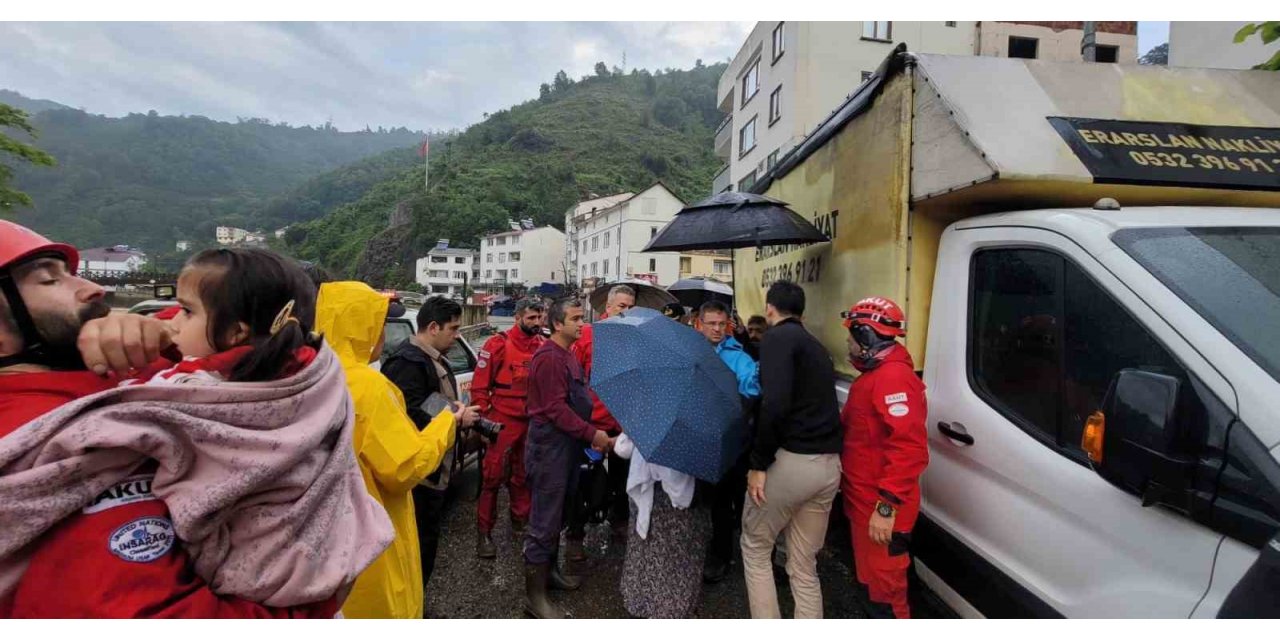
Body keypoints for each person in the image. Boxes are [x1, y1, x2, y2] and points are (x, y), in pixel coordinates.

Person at [0, 229, 354, 617]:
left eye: (72, 272)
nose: (94, 288)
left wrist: (151, 331)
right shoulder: (43, 430)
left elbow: (222, 333)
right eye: (49, 279)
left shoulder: (116, 377)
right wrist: (315, 606)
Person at [316, 281, 458, 619]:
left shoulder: (308, 375)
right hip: (370, 536)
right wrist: (447, 424)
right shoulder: (367, 386)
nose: (382, 334)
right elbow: (404, 467)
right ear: (360, 326)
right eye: (379, 324)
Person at [740, 280, 843, 619]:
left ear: (769, 309)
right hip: (828, 467)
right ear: (803, 312)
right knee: (803, 564)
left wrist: (758, 463)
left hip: (791, 463)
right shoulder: (816, 347)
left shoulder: (777, 339)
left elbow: (776, 404)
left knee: (755, 546)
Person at [381, 296, 481, 589]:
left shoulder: (427, 357)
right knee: (418, 546)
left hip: (432, 466)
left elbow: (426, 402)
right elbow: (411, 410)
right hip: (419, 475)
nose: (457, 335)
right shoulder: (409, 361)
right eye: (454, 328)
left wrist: (454, 413)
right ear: (433, 327)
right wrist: (455, 418)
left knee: (426, 543)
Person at [523, 297, 613, 619]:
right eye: (575, 318)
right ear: (557, 324)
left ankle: (550, 574)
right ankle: (535, 599)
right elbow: (554, 409)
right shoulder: (549, 357)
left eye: (582, 318)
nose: (581, 323)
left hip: (566, 448)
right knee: (544, 522)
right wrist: (593, 434)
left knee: (558, 516)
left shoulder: (568, 355)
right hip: (550, 450)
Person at [840, 296, 928, 619]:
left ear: (866, 337)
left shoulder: (893, 379)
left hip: (880, 512)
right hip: (866, 507)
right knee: (874, 588)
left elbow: (909, 449)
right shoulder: (875, 377)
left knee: (888, 597)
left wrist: (886, 507)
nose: (847, 342)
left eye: (851, 335)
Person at [471, 297, 545, 558]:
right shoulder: (497, 344)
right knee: (491, 477)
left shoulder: (543, 346)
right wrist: (482, 423)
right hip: (502, 420)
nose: (537, 323)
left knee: (524, 475)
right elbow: (479, 387)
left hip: (530, 420)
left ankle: (520, 521)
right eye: (531, 318)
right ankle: (484, 532)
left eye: (540, 318)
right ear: (518, 318)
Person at [565, 284, 635, 560]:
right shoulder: (588, 337)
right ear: (607, 307)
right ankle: (574, 535)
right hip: (590, 425)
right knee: (581, 481)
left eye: (631, 307)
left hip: (623, 426)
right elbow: (571, 381)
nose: (626, 312)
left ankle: (620, 523)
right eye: (621, 306)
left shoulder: (636, 341)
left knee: (623, 479)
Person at [697, 301, 761, 584]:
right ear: (699, 324)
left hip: (734, 441)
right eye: (711, 323)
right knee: (713, 502)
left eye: (721, 324)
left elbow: (752, 385)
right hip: (703, 438)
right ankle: (717, 552)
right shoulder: (691, 353)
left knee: (737, 501)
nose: (717, 329)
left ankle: (743, 556)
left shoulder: (738, 356)